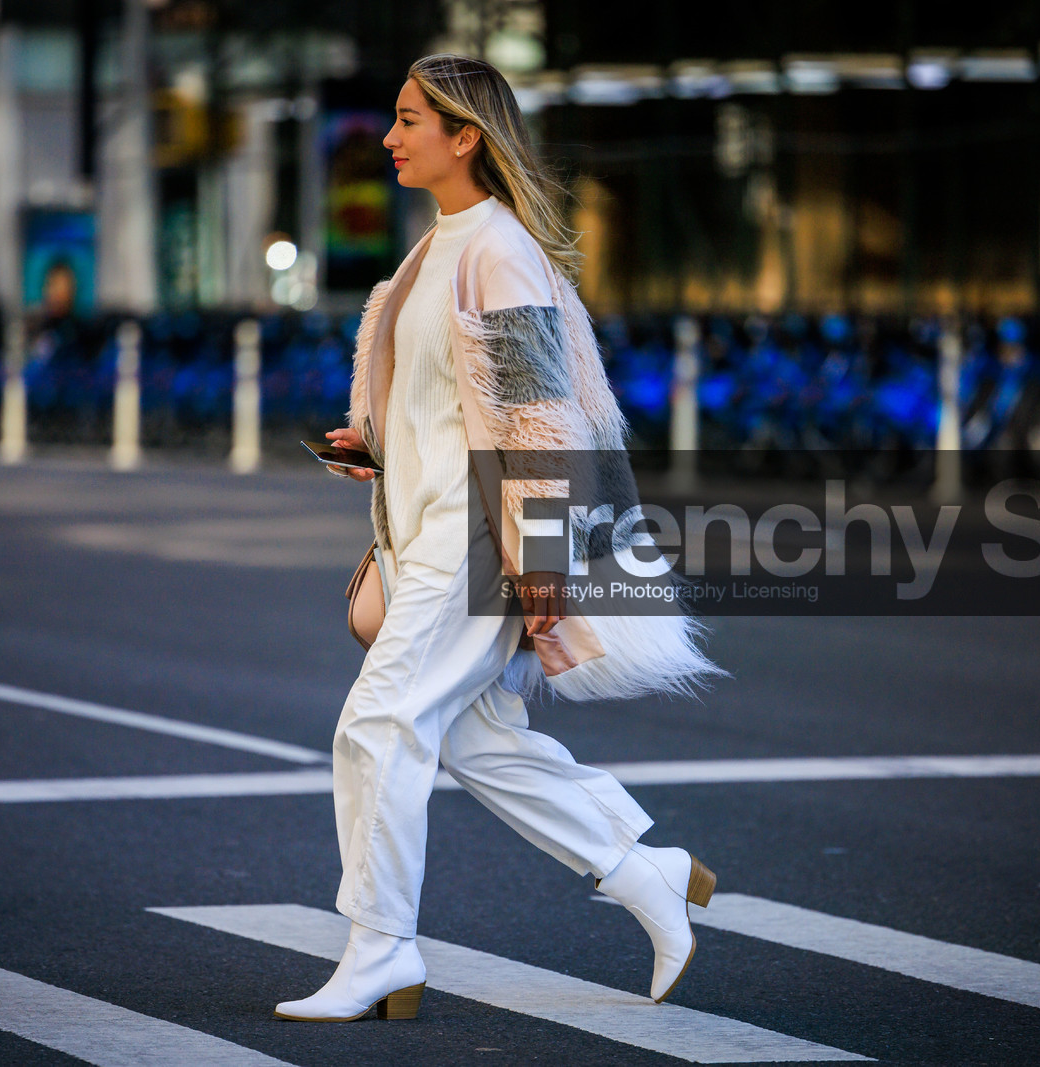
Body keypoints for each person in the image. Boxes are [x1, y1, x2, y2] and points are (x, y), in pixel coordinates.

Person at [274, 53, 724, 1025]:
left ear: (464, 135)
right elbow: (450, 402)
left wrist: (547, 561)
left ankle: (381, 947)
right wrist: (378, 440)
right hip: (426, 527)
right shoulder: (431, 252)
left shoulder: (500, 251)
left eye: (407, 120)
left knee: (378, 725)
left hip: (478, 540)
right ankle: (641, 871)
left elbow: (538, 420)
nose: (388, 137)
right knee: (476, 740)